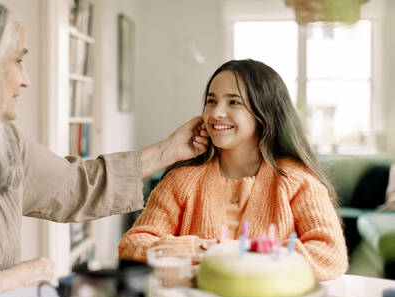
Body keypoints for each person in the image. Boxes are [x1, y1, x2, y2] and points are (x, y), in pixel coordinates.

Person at [0, 0, 209, 297]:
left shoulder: (7, 144)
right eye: (18, 60)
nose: (27, 80)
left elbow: (76, 185)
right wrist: (13, 278)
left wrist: (168, 150)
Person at [118, 59, 348, 281]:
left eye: (234, 102)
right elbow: (131, 246)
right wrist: (196, 248)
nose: (216, 113)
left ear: (263, 112)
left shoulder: (297, 181)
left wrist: (245, 255)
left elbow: (330, 255)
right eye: (211, 100)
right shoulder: (182, 180)